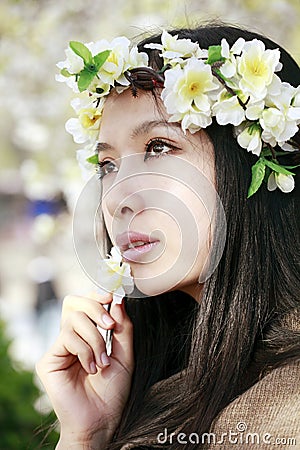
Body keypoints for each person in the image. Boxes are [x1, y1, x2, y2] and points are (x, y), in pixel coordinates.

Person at [36, 23, 300, 449]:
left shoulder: (283, 415)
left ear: (256, 163)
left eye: (159, 147)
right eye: (107, 166)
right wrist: (87, 434)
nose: (118, 196)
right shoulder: (174, 384)